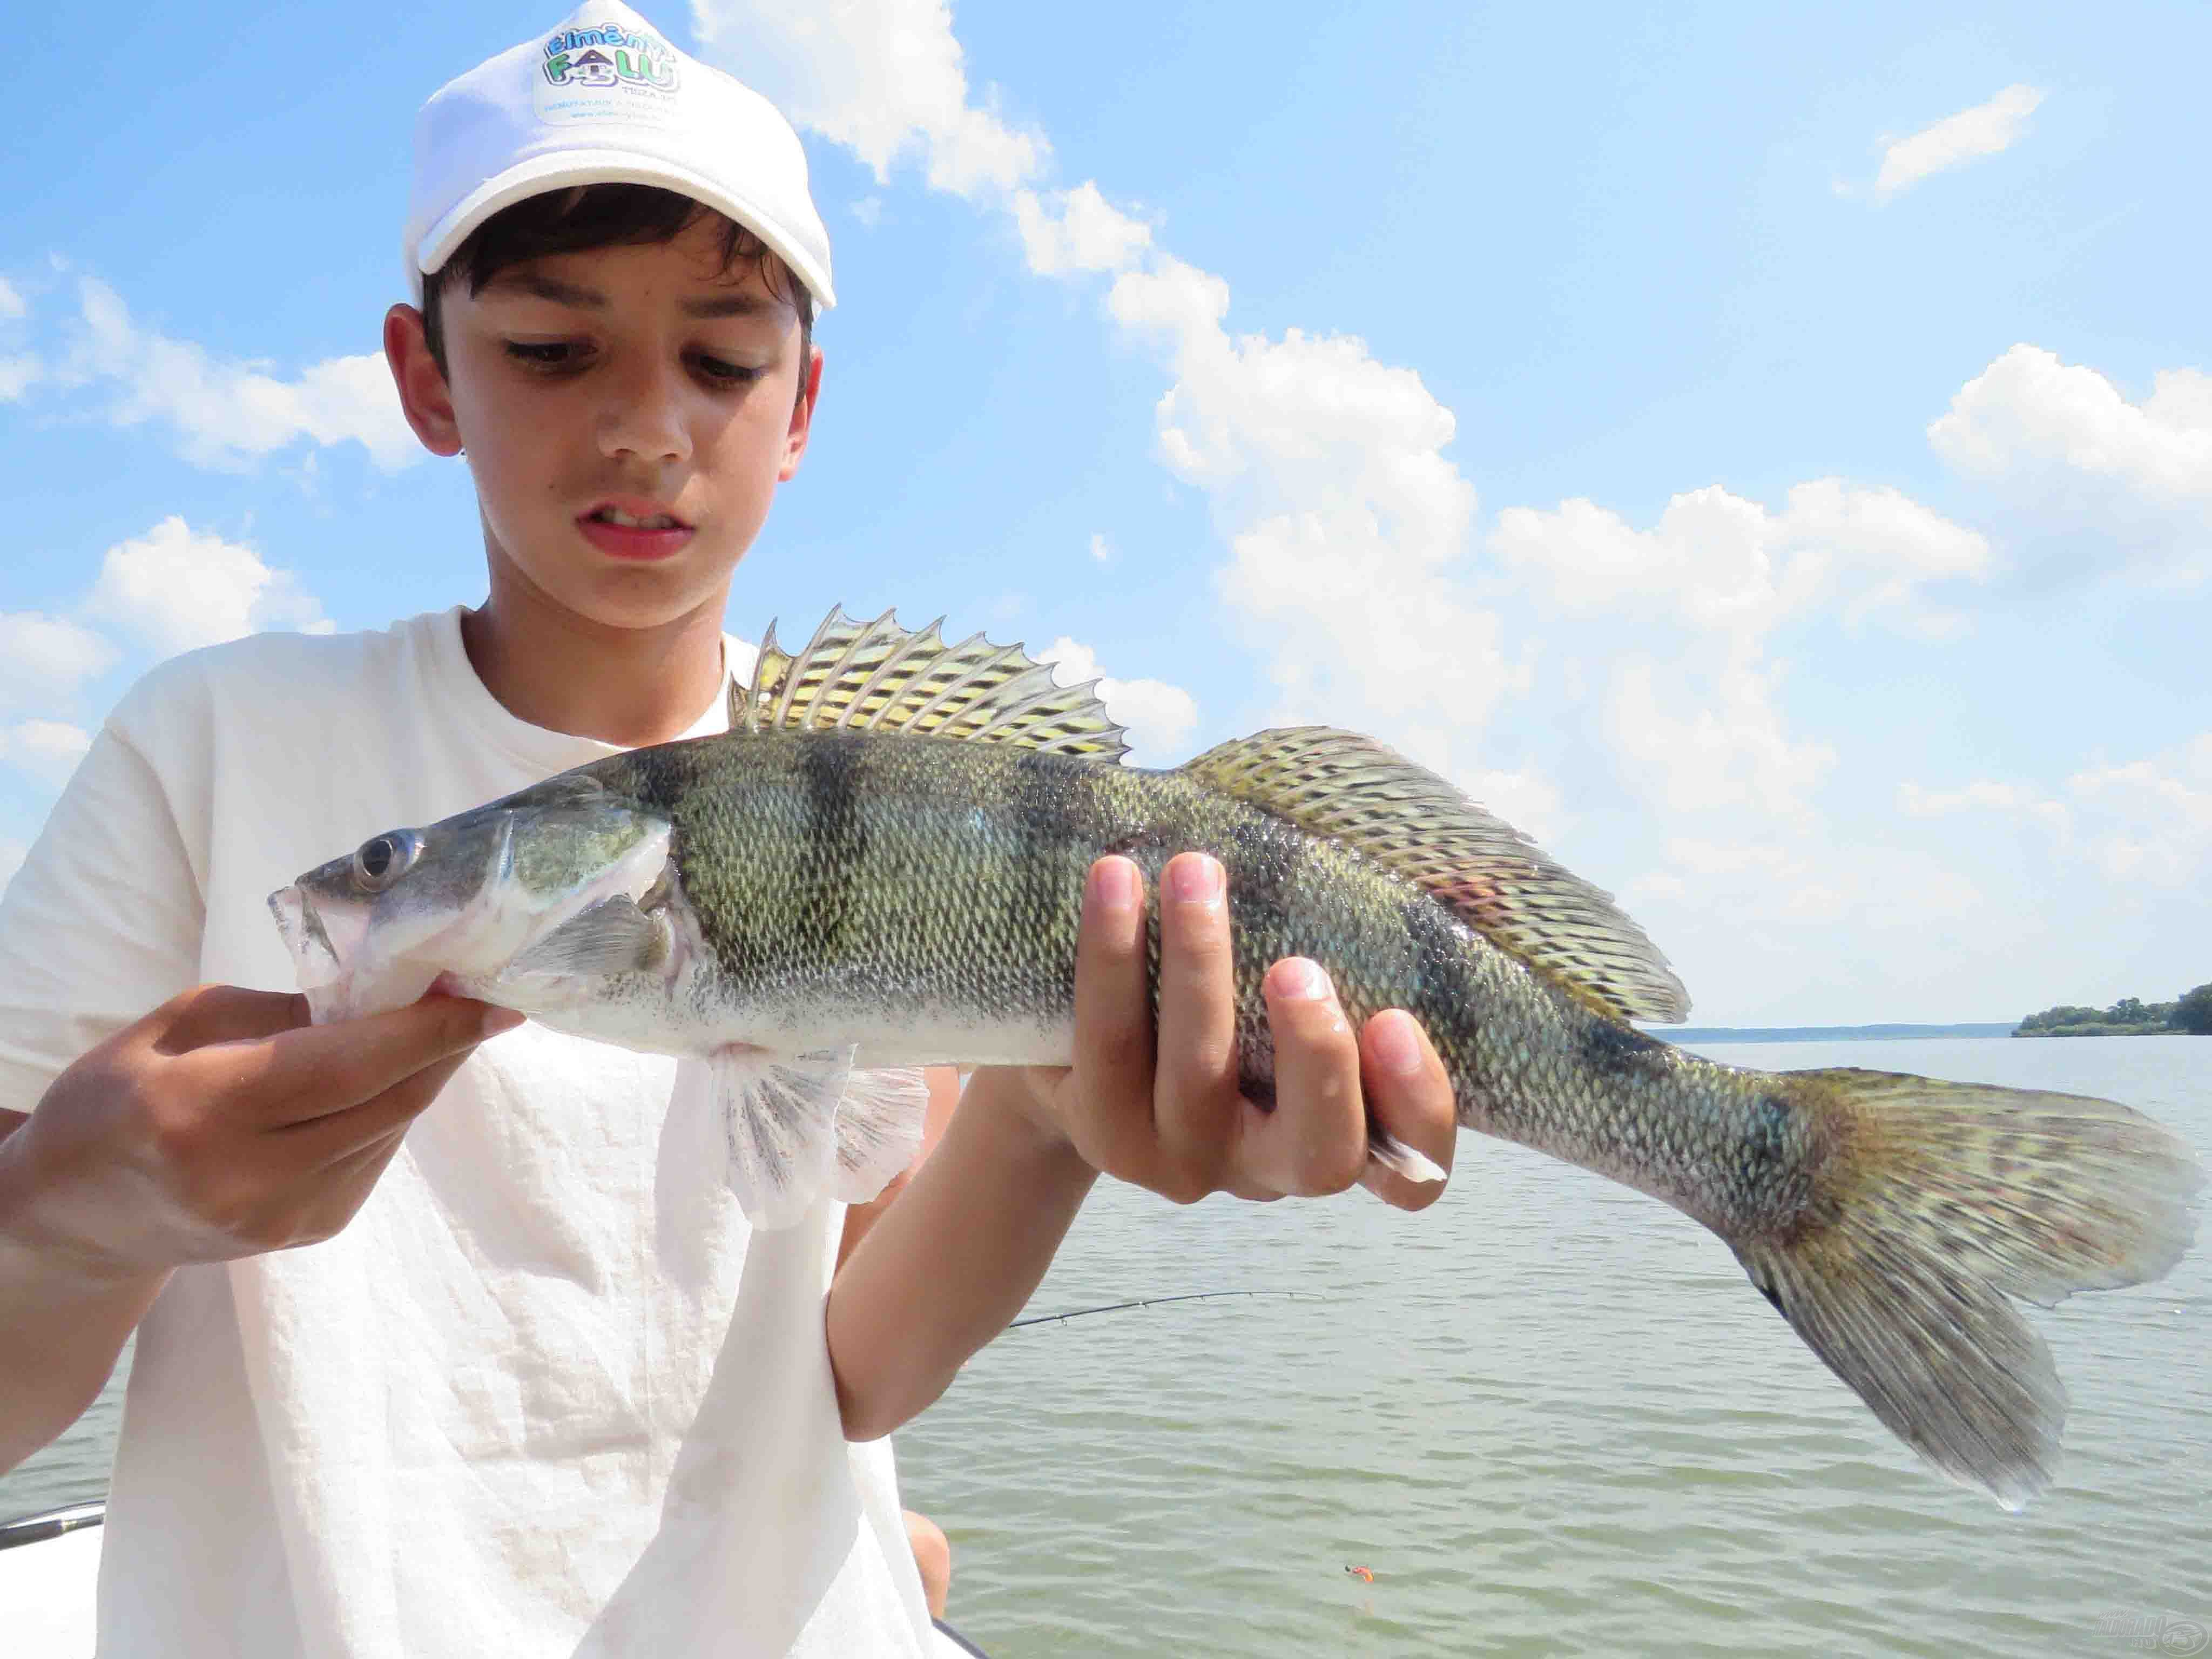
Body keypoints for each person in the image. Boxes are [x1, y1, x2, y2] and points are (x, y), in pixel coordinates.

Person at [0, 4, 1457, 1655]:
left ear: (805, 403)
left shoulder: (872, 775)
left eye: (721, 357)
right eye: (552, 348)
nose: (645, 426)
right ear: (426, 376)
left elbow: (852, 1372)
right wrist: (66, 1205)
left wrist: (1048, 1122)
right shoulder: (210, 743)